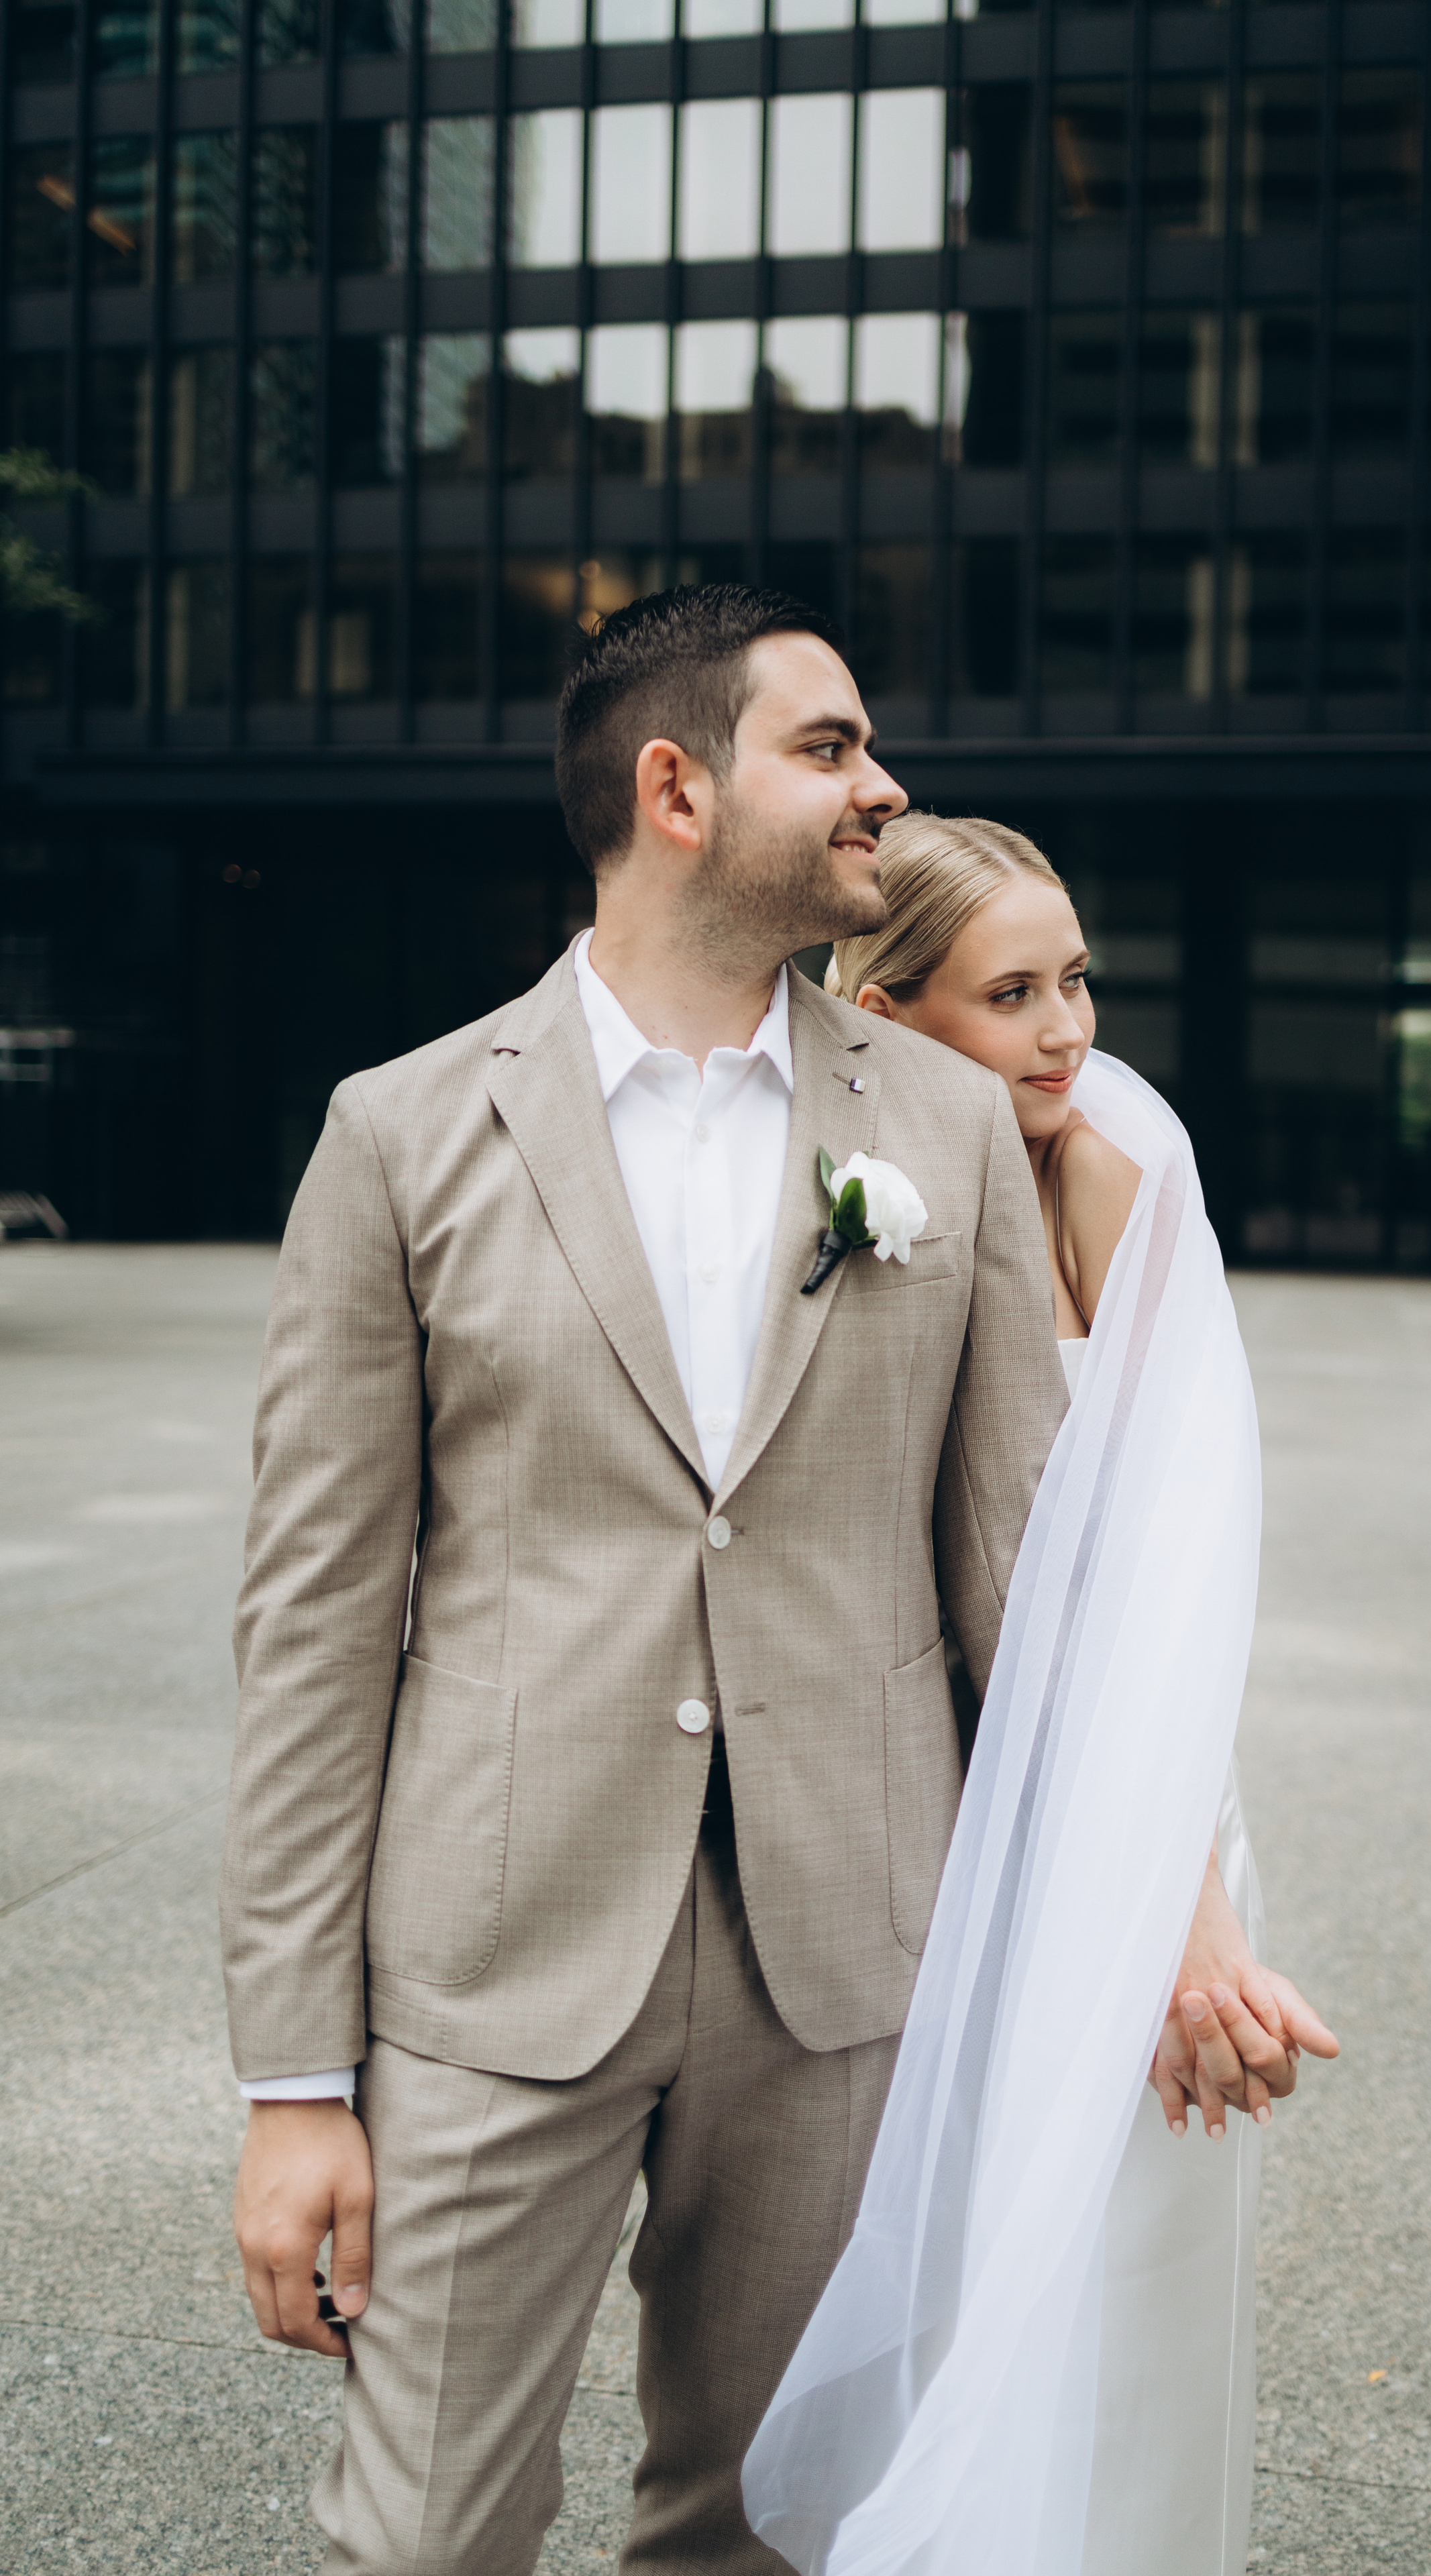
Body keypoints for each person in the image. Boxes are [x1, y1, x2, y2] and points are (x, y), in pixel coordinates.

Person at [219, 588, 1072, 2573]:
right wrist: (294, 2083)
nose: (885, 788)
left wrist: (1139, 1921)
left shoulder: (947, 1126)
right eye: (831, 747)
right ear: (677, 789)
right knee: (421, 2537)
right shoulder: (398, 1134)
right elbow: (314, 1630)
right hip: (493, 1963)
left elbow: (1023, 1574)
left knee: (766, 2530)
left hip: (845, 1964)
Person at [743, 816, 1338, 2576]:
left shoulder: (1126, 1177)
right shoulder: (820, 1195)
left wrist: (1184, 1909)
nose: (1071, 1029)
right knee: (946, 2267)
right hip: (915, 1815)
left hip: (1142, 1785)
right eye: (1014, 995)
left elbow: (1153, 1584)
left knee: (1133, 2282)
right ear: (887, 1014)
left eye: (1077, 979)